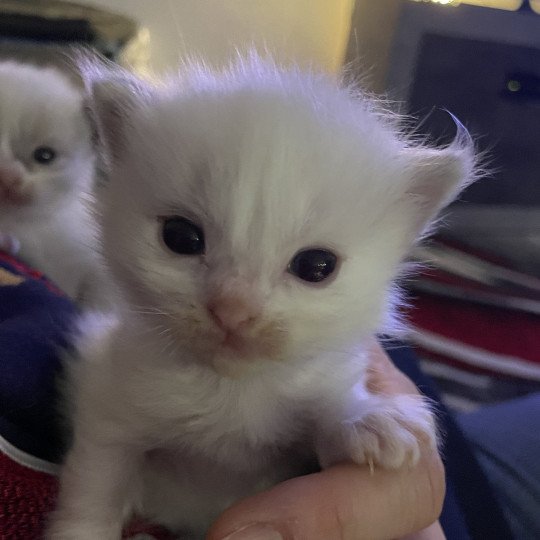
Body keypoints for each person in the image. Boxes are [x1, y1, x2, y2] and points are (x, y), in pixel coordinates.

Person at [0, 249, 526, 539]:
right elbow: (109, 430)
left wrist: (356, 420)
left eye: (311, 266)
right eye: (185, 238)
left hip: (438, 484)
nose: (233, 308)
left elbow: (348, 399)